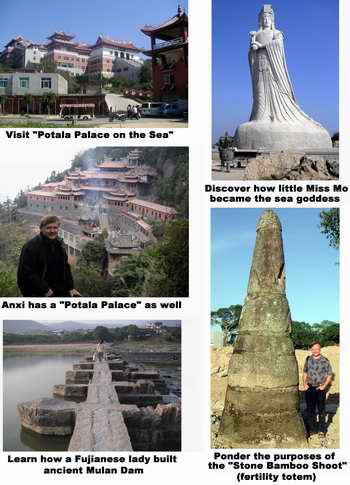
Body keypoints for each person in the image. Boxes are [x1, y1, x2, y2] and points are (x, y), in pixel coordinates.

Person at [17, 215, 81, 297]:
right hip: (39, 292)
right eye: (48, 228)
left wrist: (70, 287)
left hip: (59, 289)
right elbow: (26, 273)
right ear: (41, 228)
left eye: (55, 228)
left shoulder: (59, 244)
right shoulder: (31, 246)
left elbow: (65, 267)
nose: (52, 231)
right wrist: (46, 290)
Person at [303, 342, 333, 435]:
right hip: (309, 387)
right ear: (311, 349)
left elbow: (329, 374)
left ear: (320, 349)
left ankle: (322, 430)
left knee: (321, 410)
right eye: (313, 348)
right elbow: (305, 372)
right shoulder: (308, 359)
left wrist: (324, 386)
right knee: (310, 409)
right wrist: (304, 384)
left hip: (320, 388)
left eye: (317, 348)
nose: (315, 350)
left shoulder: (325, 360)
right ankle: (312, 429)